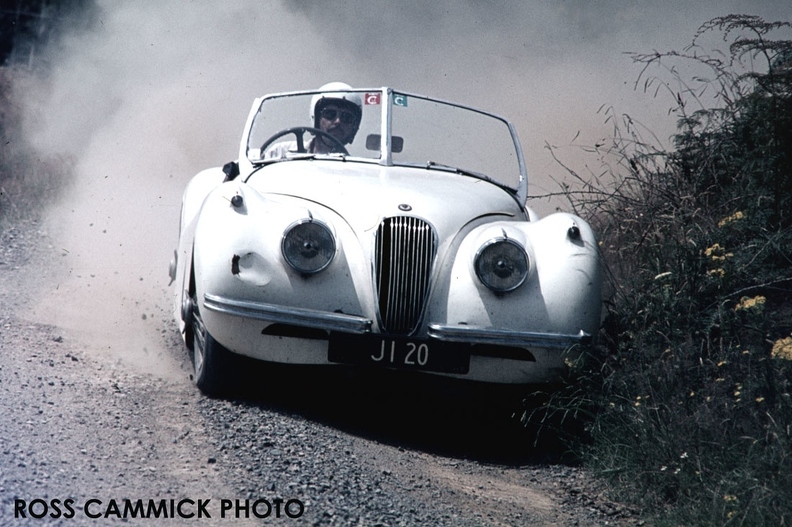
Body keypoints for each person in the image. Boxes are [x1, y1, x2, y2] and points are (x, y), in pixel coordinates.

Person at [265, 82, 362, 159]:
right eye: (330, 114)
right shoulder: (280, 153)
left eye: (347, 117)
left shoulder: (354, 171)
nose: (338, 121)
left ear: (354, 126)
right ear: (316, 117)